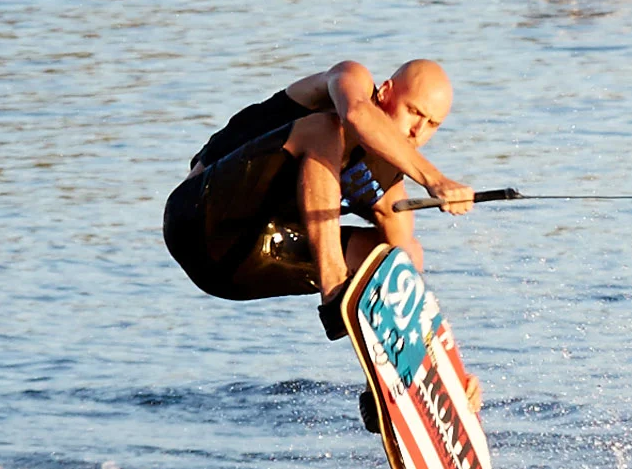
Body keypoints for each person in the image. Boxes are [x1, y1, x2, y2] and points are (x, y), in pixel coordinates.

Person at [163, 60, 477, 355]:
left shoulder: (389, 188)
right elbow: (356, 114)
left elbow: (403, 281)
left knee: (402, 254)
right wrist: (434, 178)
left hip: (237, 269)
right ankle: (334, 289)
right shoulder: (350, 81)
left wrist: (439, 365)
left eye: (433, 124)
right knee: (326, 128)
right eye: (414, 112)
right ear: (385, 91)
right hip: (197, 219)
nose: (418, 131)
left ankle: (392, 382)